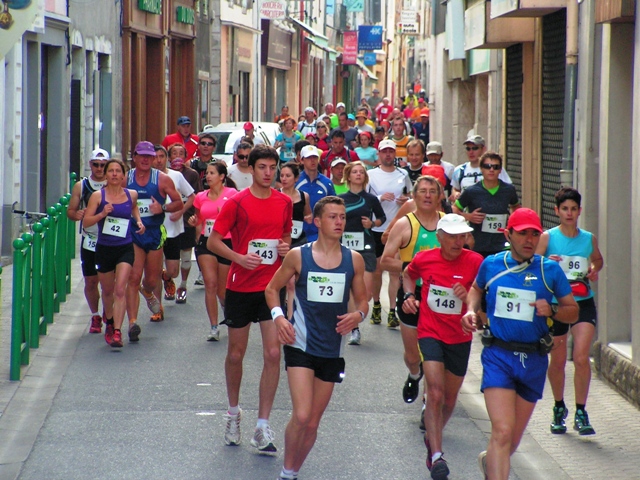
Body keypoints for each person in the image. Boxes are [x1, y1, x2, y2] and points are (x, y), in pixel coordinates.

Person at [460, 208, 578, 480]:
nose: (529, 238)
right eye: (522, 232)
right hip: (499, 355)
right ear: (508, 234)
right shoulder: (491, 264)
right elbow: (476, 289)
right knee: (501, 432)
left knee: (510, 442)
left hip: (534, 360)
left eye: (534, 233)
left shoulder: (549, 270)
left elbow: (572, 310)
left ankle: (492, 463)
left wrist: (553, 310)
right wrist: (470, 310)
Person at [265, 196, 368, 480]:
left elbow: (363, 302)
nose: (339, 222)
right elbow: (271, 289)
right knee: (301, 414)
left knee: (311, 422)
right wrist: (278, 318)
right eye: (333, 217)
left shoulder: (353, 259)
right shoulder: (299, 255)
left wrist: (357, 316)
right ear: (318, 221)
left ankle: (294, 470)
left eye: (342, 217)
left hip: (332, 349)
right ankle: (286, 472)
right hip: (300, 344)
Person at [207, 144, 292, 453]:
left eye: (273, 168)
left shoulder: (284, 202)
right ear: (251, 170)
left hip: (271, 288)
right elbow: (213, 241)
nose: (268, 173)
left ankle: (262, 425)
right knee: (235, 354)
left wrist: (284, 249)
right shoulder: (237, 203)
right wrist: (238, 258)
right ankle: (233, 413)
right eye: (262, 168)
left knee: (272, 354)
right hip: (241, 286)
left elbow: (284, 238)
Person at [402, 214, 483, 479]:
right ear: (439, 237)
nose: (458, 241)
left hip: (460, 337)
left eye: (462, 236)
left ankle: (433, 439)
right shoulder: (425, 258)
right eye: (452, 236)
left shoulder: (475, 262)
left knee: (449, 399)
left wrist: (469, 295)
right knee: (435, 393)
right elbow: (408, 274)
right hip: (430, 332)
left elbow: (482, 297)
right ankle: (437, 455)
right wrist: (410, 295)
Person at [535, 187, 603, 436]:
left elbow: (598, 259)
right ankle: (558, 407)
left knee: (582, 357)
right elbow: (533, 266)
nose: (570, 213)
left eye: (574, 209)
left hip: (583, 302)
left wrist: (594, 269)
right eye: (565, 209)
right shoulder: (547, 237)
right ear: (557, 211)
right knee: (559, 359)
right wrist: (546, 263)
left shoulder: (588, 238)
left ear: (579, 211)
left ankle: (581, 411)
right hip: (558, 305)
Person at [381, 176, 444, 411]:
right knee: (412, 355)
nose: (427, 195)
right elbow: (386, 261)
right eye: (423, 191)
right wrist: (414, 267)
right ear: (415, 196)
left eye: (432, 192)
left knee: (433, 352)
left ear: (440, 197)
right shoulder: (404, 224)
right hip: (411, 294)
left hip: (440, 295)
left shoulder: (449, 224)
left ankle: (428, 405)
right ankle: (414, 374)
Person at [82, 159, 145, 348]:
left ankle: (117, 331)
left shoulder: (131, 194)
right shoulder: (97, 196)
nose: (115, 174)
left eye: (118, 171)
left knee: (120, 289)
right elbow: (86, 222)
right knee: (107, 291)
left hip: (125, 247)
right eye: (111, 171)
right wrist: (102, 214)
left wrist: (139, 222)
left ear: (124, 175)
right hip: (103, 248)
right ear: (106, 175)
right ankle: (109, 322)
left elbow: (133, 207)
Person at [125, 141, 182, 336]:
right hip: (133, 233)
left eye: (149, 156)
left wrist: (163, 208)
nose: (145, 160)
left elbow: (178, 203)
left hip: (154, 233)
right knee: (133, 277)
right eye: (141, 156)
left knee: (150, 280)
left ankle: (148, 292)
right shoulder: (127, 178)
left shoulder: (162, 180)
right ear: (135, 157)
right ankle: (132, 323)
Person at [189, 162, 238, 341]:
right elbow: (199, 219)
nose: (208, 176)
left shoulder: (232, 195)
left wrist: (223, 214)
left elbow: (238, 218)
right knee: (210, 283)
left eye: (212, 173)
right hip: (206, 243)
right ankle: (214, 327)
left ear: (222, 176)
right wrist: (195, 224)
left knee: (222, 289)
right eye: (207, 173)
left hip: (226, 243)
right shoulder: (201, 197)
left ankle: (228, 311)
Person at [339, 162, 386, 345]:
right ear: (348, 176)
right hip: (345, 248)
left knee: (365, 293)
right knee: (349, 289)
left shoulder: (371, 199)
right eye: (354, 172)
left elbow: (382, 218)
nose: (358, 175)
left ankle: (355, 318)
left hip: (366, 247)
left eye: (361, 172)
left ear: (365, 177)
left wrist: (372, 224)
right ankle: (354, 329)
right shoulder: (340, 198)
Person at [368, 139, 412, 326]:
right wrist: (379, 198)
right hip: (377, 228)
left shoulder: (403, 174)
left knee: (395, 271)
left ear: (395, 154)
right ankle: (377, 305)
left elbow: (411, 195)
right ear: (378, 154)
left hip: (396, 229)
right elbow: (365, 198)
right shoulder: (370, 174)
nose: (387, 155)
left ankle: (392, 311)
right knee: (377, 270)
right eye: (384, 151)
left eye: (391, 152)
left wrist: (406, 200)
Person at [67, 148, 108, 333]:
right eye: (96, 165)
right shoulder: (81, 185)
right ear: (90, 165)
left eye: (103, 165)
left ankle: (109, 312)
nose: (99, 169)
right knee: (91, 281)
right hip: (90, 237)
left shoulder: (115, 182)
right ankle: (95, 315)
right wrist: (78, 215)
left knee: (110, 281)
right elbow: (70, 211)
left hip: (111, 239)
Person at [152, 145, 195, 311]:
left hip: (173, 228)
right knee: (154, 270)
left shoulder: (176, 176)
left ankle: (167, 277)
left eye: (161, 156)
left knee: (173, 270)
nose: (158, 160)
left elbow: (191, 196)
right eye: (155, 157)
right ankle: (157, 308)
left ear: (166, 158)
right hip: (153, 230)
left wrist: (181, 212)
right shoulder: (145, 178)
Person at [453, 152, 520, 257]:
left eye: (495, 167)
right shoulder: (471, 191)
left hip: (502, 245)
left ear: (500, 170)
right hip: (479, 245)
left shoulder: (509, 190)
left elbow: (515, 206)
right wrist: (468, 217)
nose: (491, 170)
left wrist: (512, 221)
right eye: (487, 166)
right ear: (481, 169)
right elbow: (454, 209)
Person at [166, 143, 203, 300]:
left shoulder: (192, 174)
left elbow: (197, 196)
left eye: (181, 153)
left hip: (187, 219)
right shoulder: (163, 175)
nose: (178, 156)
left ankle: (183, 285)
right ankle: (169, 282)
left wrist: (198, 220)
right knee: (168, 258)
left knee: (186, 255)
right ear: (169, 157)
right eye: (174, 153)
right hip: (167, 221)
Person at [279, 162, 312, 319]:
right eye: (282, 176)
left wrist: (310, 218)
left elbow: (308, 214)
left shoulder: (304, 196)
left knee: (293, 282)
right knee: (283, 282)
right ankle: (280, 310)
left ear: (296, 178)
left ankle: (290, 316)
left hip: (299, 241)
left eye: (288, 176)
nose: (284, 179)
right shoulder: (275, 195)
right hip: (280, 243)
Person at [450, 135, 511, 201]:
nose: (471, 152)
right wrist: (455, 193)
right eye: (468, 149)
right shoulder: (459, 170)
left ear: (483, 149)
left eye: (475, 148)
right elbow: (455, 188)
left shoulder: (494, 168)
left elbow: (508, 189)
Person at [297, 145, 337, 242]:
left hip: (320, 233)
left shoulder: (327, 183)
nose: (312, 160)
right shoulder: (295, 181)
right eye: (308, 158)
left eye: (315, 157)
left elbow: (334, 206)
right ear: (302, 160)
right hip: (298, 233)